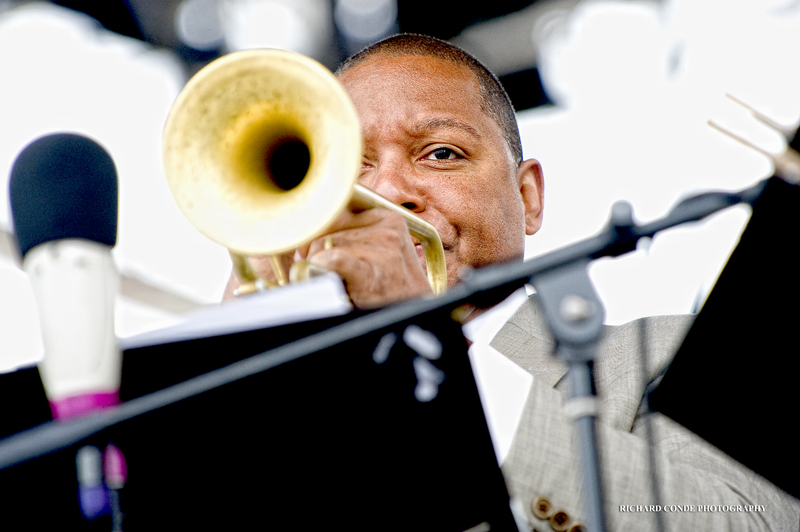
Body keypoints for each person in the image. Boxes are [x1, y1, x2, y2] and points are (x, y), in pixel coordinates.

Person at [222, 34, 800, 530]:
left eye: (441, 153)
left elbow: (739, 520)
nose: (388, 193)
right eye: (349, 167)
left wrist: (438, 358)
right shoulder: (288, 414)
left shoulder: (659, 355)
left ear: (527, 198)